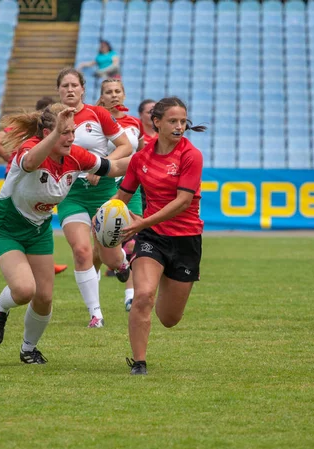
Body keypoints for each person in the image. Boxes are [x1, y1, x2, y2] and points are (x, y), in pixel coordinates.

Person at [0, 104, 131, 364]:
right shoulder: (29, 149)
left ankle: (28, 349)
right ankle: (0, 306)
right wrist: (53, 135)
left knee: (45, 298)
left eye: (73, 131)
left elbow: (115, 167)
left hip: (38, 229)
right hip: (6, 225)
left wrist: (149, 157)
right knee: (23, 290)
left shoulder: (76, 155)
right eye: (65, 132)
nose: (72, 138)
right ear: (45, 133)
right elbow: (30, 163)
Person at [113, 97, 207, 375]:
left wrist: (142, 222)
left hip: (186, 239)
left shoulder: (192, 155)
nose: (179, 127)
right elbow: (122, 197)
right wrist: (104, 213)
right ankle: (139, 362)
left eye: (183, 122)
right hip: (152, 238)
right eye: (173, 121)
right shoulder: (141, 157)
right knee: (142, 296)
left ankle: (166, 275)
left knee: (169, 319)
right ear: (157, 122)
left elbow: (182, 202)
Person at [55, 67, 132, 328]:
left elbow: (126, 146)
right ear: (58, 91)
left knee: (109, 257)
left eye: (74, 85)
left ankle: (122, 264)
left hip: (104, 191)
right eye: (64, 86)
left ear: (83, 89)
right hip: (70, 193)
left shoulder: (98, 114)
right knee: (81, 250)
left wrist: (102, 165)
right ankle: (95, 314)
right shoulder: (52, 118)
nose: (69, 90)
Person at [0, 96, 68, 277]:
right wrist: (11, 159)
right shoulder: (36, 131)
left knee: (33, 214)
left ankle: (40, 262)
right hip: (24, 172)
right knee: (26, 213)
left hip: (26, 171)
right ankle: (35, 263)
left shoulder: (29, 129)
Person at [95, 79, 145, 311]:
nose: (114, 95)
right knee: (98, 246)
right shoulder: (95, 120)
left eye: (118, 91)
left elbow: (141, 151)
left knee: (133, 239)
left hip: (129, 187)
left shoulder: (135, 123)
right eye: (108, 92)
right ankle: (94, 297)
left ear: (124, 95)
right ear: (102, 96)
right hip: (101, 186)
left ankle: (130, 295)